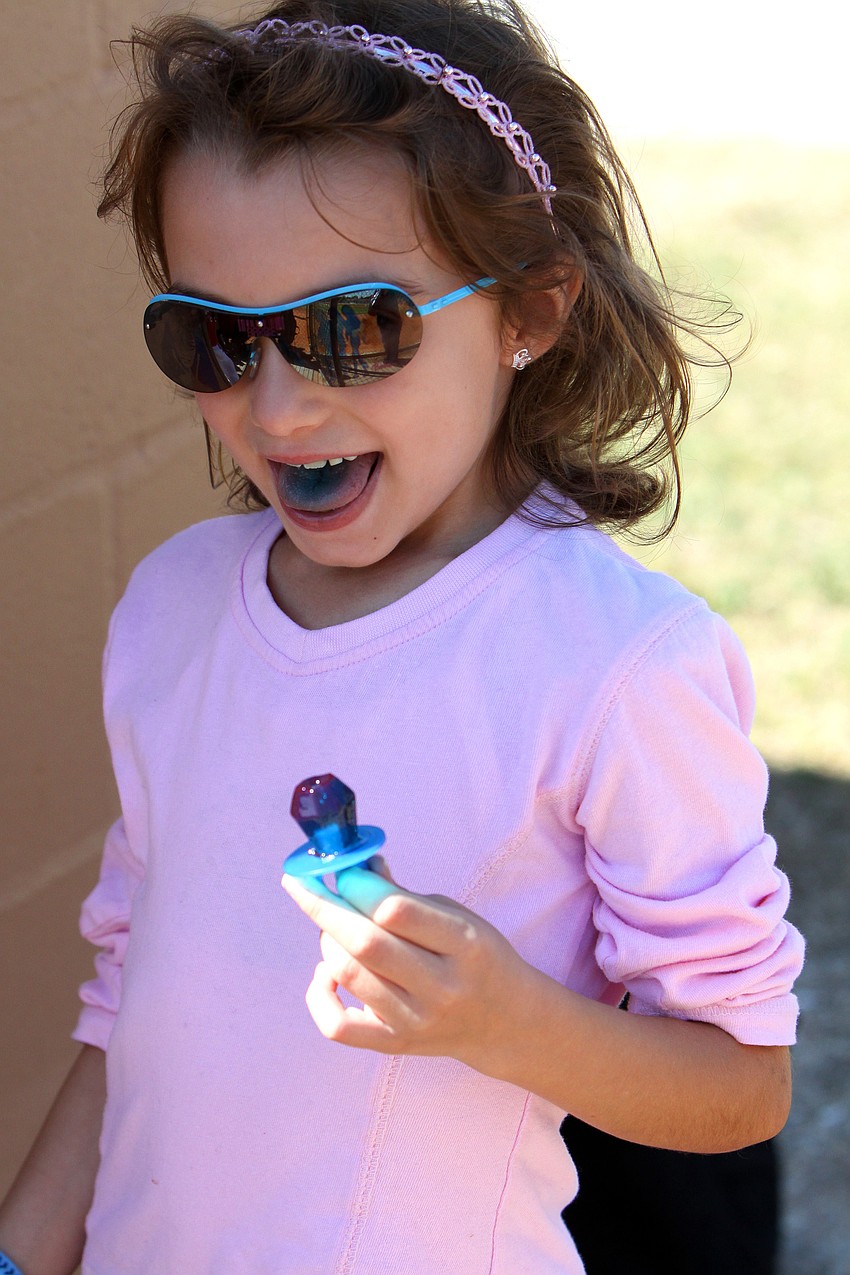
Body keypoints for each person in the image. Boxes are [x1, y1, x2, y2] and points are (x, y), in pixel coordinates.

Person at [0, 3, 805, 1272]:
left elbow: (741, 1086)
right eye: (215, 338)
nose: (277, 404)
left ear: (530, 311)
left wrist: (505, 1019)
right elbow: (133, 1011)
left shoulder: (615, 663)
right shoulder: (171, 608)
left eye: (351, 328)